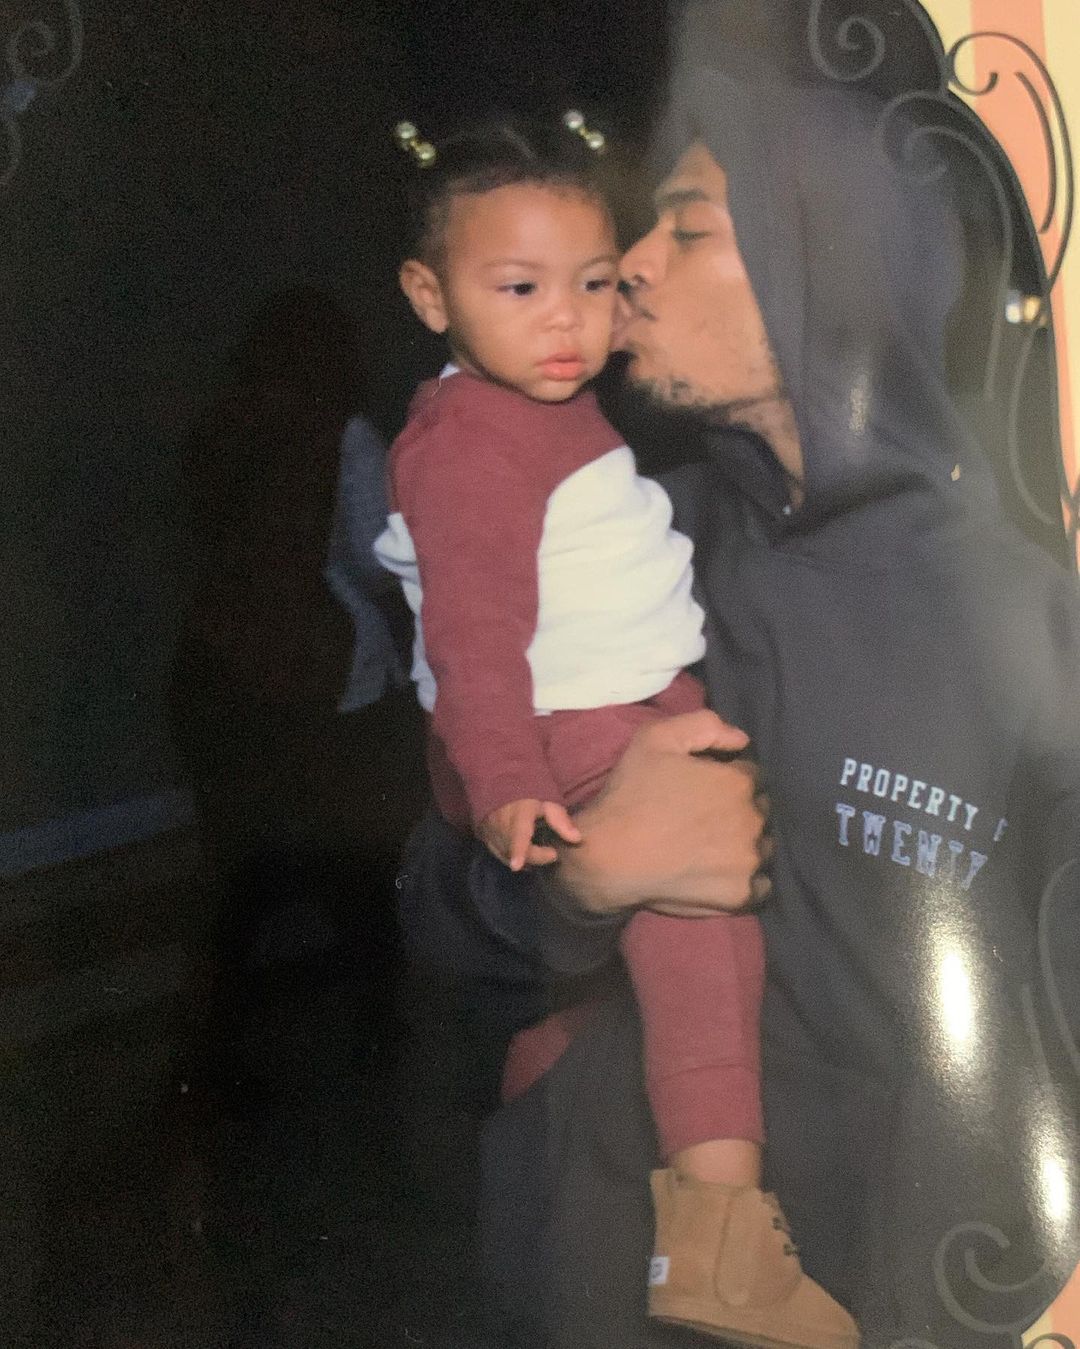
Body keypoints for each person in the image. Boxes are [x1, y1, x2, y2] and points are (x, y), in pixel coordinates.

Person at [394, 9, 1080, 1349]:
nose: (630, 267)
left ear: (833, 262)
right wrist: (581, 883)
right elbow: (432, 909)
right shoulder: (634, 542)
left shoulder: (1027, 621)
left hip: (884, 1300)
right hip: (598, 1274)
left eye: (690, 229)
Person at [374, 118, 852, 1348]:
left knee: (690, 930)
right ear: (429, 296)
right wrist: (519, 802)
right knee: (700, 926)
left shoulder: (575, 426)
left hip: (614, 711)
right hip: (569, 721)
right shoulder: (471, 440)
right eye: (522, 288)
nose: (582, 312)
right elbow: (473, 638)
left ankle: (567, 1065)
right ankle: (720, 1235)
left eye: (594, 281)